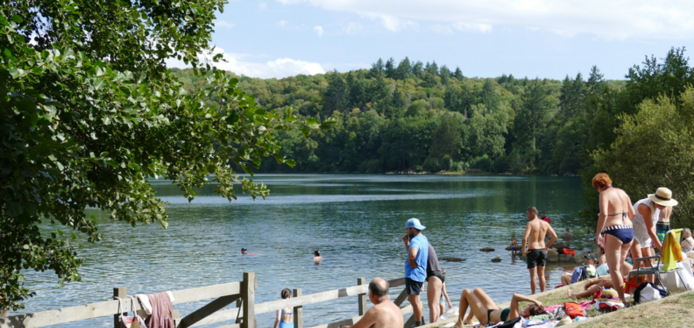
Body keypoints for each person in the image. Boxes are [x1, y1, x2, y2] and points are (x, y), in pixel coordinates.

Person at [592, 173, 635, 305]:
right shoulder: (622, 192)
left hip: (614, 231)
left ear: (598, 186)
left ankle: (621, 300)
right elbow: (632, 213)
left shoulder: (604, 194)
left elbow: (604, 214)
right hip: (629, 230)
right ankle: (624, 294)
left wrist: (598, 233)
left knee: (614, 269)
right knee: (620, 266)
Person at [631, 187, 678, 281]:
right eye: (662, 203)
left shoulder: (658, 206)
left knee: (650, 261)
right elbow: (650, 230)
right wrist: (661, 248)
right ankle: (634, 288)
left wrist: (654, 239)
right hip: (633, 230)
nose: (664, 206)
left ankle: (650, 286)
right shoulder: (645, 206)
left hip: (645, 232)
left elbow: (654, 223)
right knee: (638, 260)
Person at [452, 289, 545, 328]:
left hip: (486, 317)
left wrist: (534, 300)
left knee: (466, 292)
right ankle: (469, 319)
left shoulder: (516, 317)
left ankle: (459, 322)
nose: (528, 304)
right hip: (494, 311)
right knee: (477, 291)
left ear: (527, 313)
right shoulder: (522, 315)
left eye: (529, 306)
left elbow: (515, 296)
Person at [522, 206, 557, 294]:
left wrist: (523, 250)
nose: (527, 216)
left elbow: (524, 239)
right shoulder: (545, 223)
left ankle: (534, 295)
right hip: (542, 250)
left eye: (528, 214)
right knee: (542, 275)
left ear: (533, 213)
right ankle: (543, 293)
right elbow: (554, 236)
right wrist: (547, 246)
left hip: (533, 250)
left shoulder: (530, 224)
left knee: (533, 277)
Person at [401, 218, 429, 327]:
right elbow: (412, 252)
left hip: (413, 275)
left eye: (407, 229)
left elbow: (412, 254)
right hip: (420, 274)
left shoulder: (415, 240)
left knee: (415, 300)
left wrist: (411, 261)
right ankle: (421, 321)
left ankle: (418, 324)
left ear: (412, 229)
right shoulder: (423, 238)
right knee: (413, 299)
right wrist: (406, 243)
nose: (406, 231)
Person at [426, 243, 445, 323]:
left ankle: (432, 325)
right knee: (436, 304)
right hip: (439, 274)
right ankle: (436, 324)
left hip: (433, 275)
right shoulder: (428, 245)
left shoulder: (420, 245)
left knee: (432, 305)